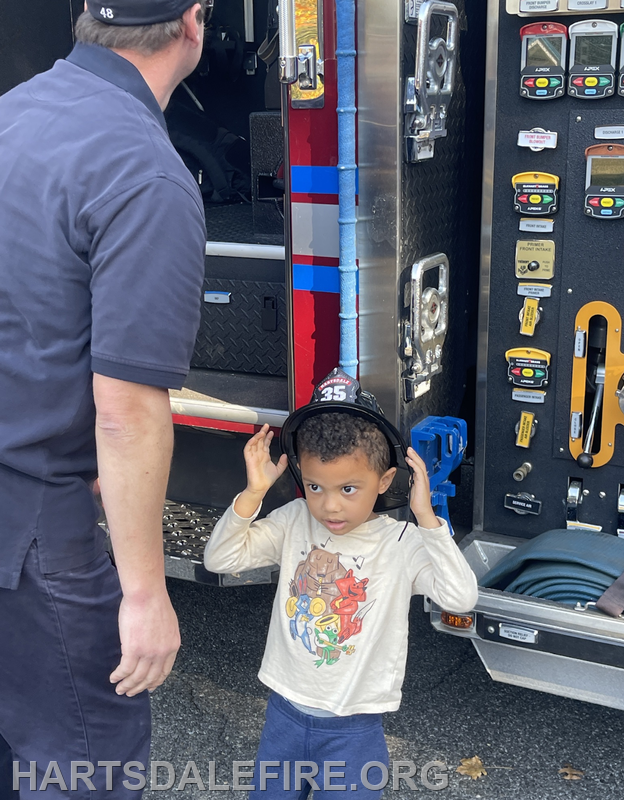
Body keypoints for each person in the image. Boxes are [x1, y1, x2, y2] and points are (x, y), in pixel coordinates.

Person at [0, 1, 210, 796]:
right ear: (193, 22)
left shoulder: (14, 113)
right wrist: (146, 595)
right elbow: (128, 410)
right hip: (34, 529)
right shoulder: (142, 171)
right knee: (84, 760)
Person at [204, 368, 478, 798]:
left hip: (354, 731)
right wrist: (252, 494)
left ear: (385, 481)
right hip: (283, 716)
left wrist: (427, 518)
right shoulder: (295, 520)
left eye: (349, 488)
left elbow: (461, 597)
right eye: (315, 486)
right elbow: (220, 557)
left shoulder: (402, 541)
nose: (329, 505)